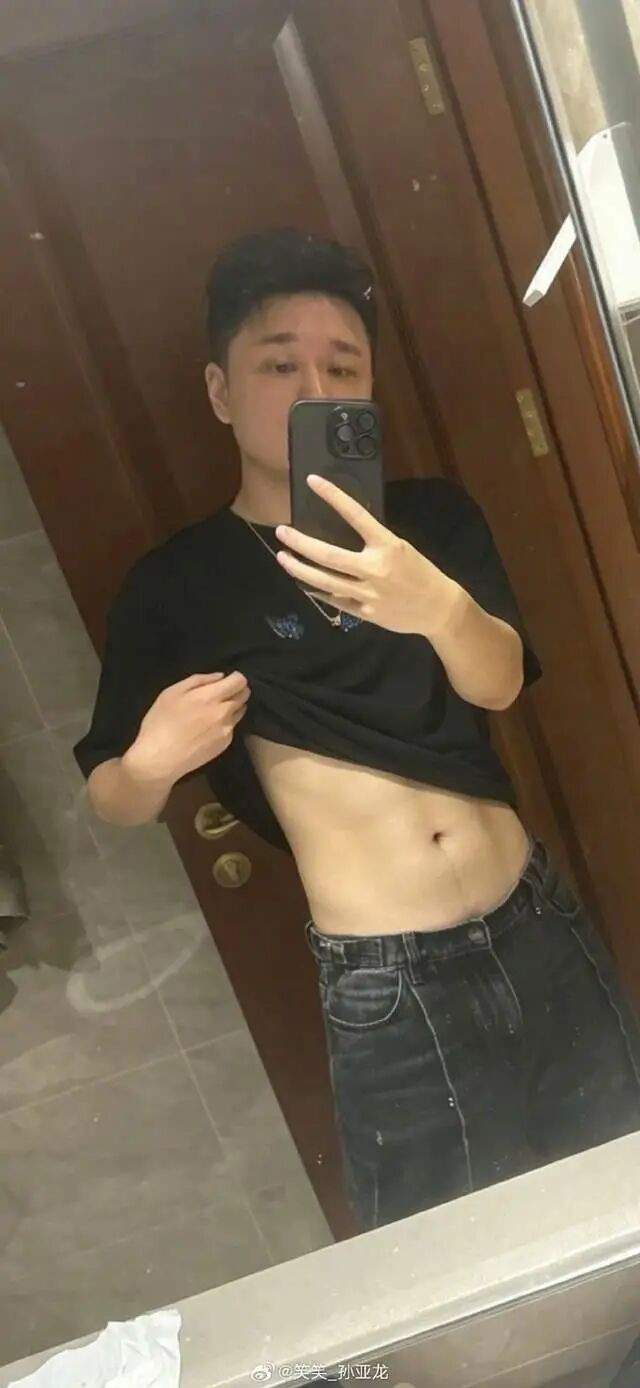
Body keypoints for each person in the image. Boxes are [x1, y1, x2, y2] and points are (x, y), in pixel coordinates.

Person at [73, 227, 640, 1233]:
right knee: (454, 1260)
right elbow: (111, 797)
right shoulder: (179, 585)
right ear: (219, 391)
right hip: (389, 980)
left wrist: (438, 607)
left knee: (622, 1191)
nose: (315, 388)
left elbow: (500, 683)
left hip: (533, 919)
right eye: (278, 365)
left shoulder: (433, 519)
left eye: (343, 366)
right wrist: (153, 760)